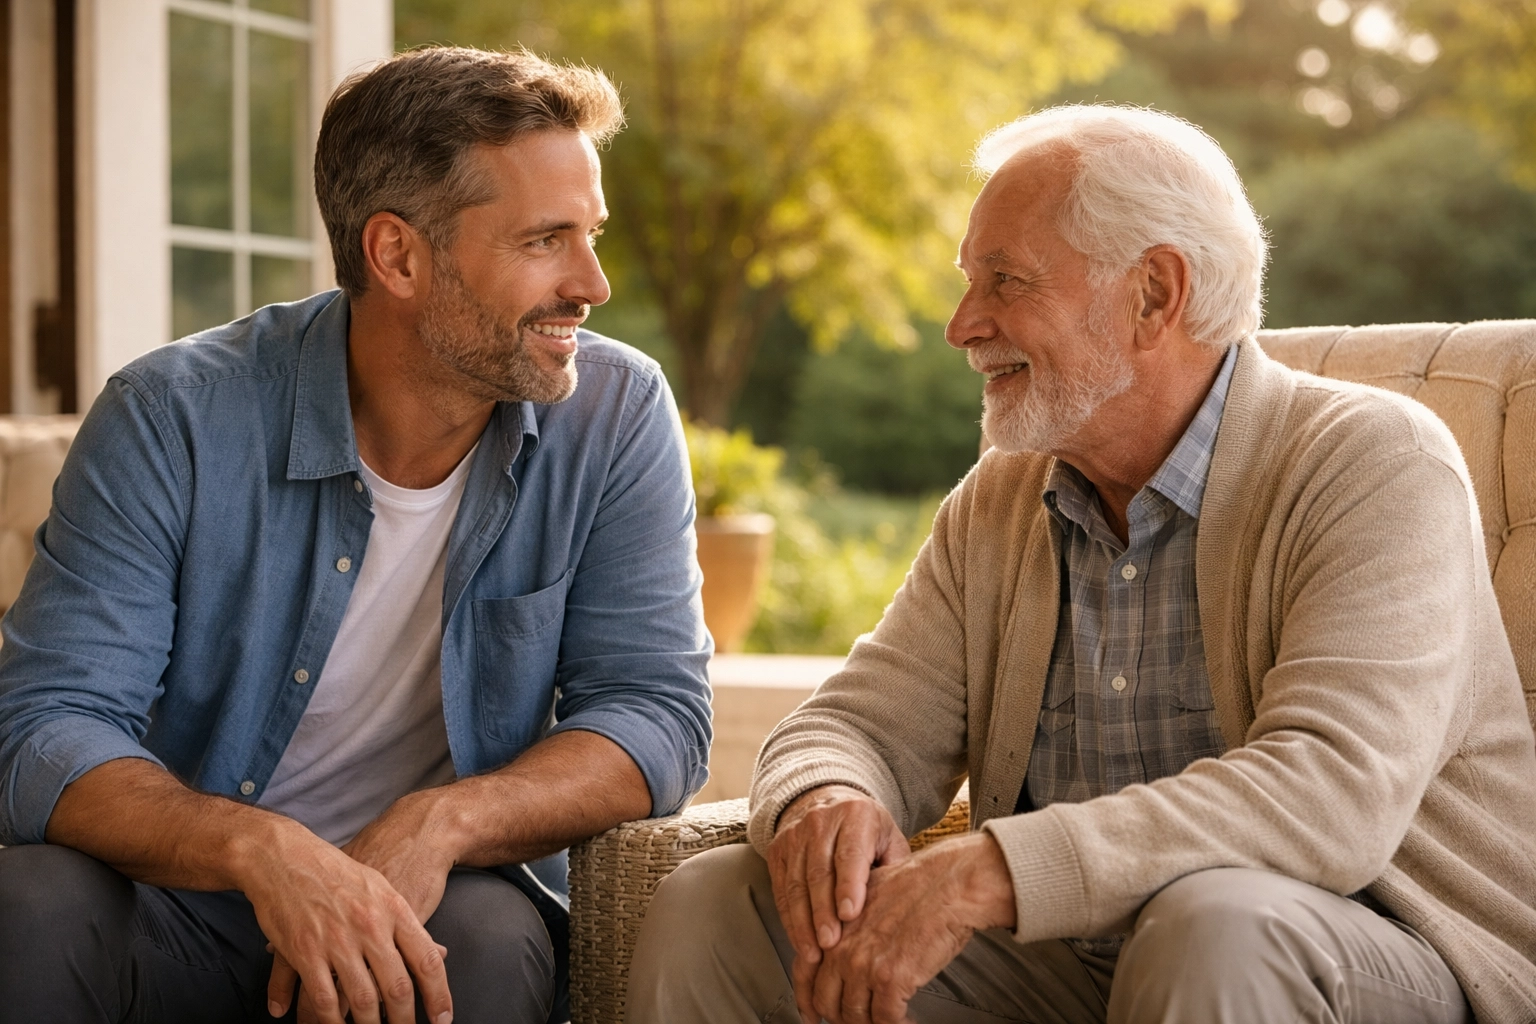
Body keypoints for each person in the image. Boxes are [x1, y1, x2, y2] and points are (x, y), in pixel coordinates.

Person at [626, 104, 1536, 1024]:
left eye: (1006, 280)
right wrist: (829, 796)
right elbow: (858, 721)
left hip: (1378, 950)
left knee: (1211, 927)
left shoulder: (1374, 462)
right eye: (968, 282)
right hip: (1072, 966)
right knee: (720, 906)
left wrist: (990, 871)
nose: (962, 325)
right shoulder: (1002, 499)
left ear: (1154, 294)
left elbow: (1330, 794)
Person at [0, 46, 712, 1024]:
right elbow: (45, 725)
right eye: (546, 240)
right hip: (179, 907)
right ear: (398, 256)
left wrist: (443, 821)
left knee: (492, 940)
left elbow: (654, 711)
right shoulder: (173, 418)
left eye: (589, 234)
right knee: (30, 905)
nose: (592, 283)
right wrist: (261, 850)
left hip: (424, 908)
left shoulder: (615, 415)